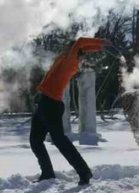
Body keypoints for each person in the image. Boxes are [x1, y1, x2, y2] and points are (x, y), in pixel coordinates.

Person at [30, 37, 107, 185]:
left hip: (51, 105)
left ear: (73, 51)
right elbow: (82, 47)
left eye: (69, 47)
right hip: (44, 102)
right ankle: (47, 173)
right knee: (35, 140)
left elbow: (80, 43)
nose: (66, 47)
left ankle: (84, 171)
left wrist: (100, 42)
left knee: (60, 141)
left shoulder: (70, 62)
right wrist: (97, 48)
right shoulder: (64, 58)